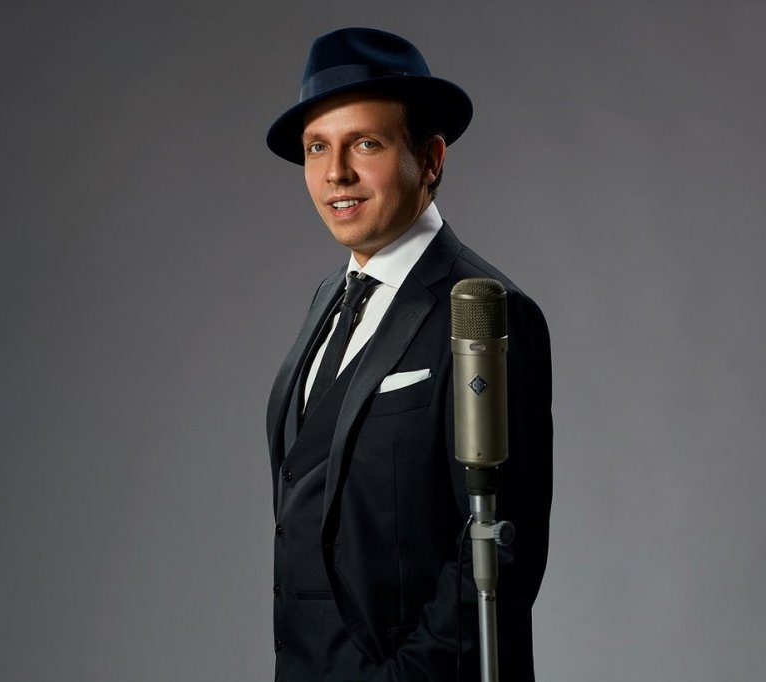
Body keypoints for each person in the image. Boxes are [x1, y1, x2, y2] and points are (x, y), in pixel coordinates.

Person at [265, 27, 553, 682]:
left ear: (429, 159)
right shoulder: (327, 299)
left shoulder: (488, 310)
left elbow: (503, 549)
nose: (335, 173)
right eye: (317, 147)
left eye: (365, 143)